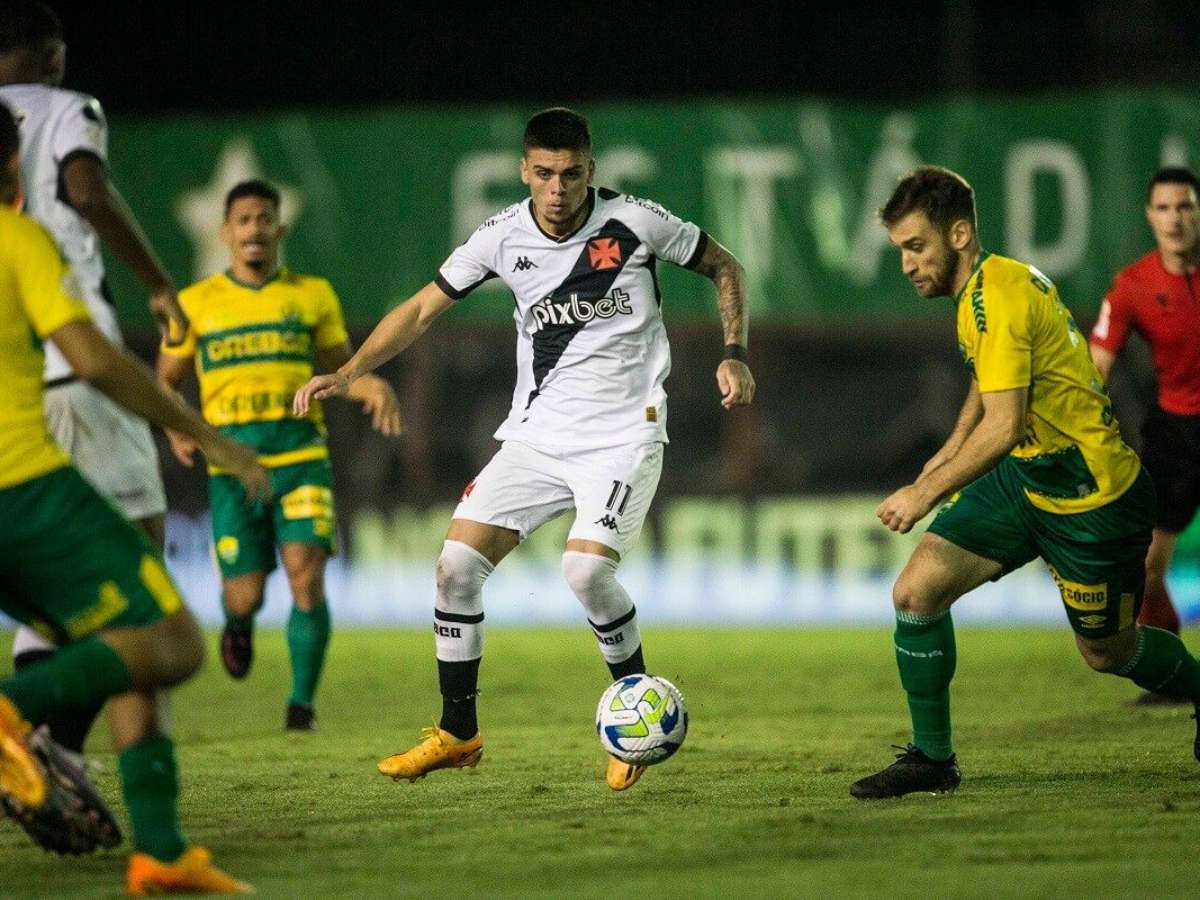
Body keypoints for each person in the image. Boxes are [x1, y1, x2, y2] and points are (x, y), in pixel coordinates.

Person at [294, 107, 755, 791]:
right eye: (544, 173)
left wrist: (735, 352)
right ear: (524, 172)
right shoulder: (501, 237)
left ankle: (632, 717)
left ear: (590, 172)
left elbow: (723, 264)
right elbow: (421, 308)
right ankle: (458, 731)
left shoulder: (635, 221)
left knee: (585, 574)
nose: (558, 187)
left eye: (571, 174)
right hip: (537, 436)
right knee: (453, 567)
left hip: (624, 433)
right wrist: (353, 369)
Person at [850, 166, 1200, 799]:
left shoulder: (1001, 298)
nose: (905, 263)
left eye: (915, 246)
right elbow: (987, 386)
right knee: (916, 592)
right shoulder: (985, 287)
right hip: (1030, 478)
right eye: (900, 249)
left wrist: (923, 493)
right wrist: (947, 454)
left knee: (1108, 655)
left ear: (958, 234)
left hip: (1091, 493)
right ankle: (932, 759)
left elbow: (1005, 425)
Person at [0, 102, 261, 894]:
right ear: (13, 168)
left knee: (120, 634)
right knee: (170, 639)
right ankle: (17, 710)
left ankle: (160, 848)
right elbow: (93, 358)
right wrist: (207, 436)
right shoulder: (19, 238)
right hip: (24, 489)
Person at [0, 1, 187, 757]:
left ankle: (48, 762)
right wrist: (157, 281)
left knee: (56, 593)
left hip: (14, 388)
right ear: (52, 54)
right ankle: (51, 748)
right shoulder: (68, 109)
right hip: (76, 369)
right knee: (147, 597)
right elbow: (85, 189)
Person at [157, 179, 402, 730]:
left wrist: (373, 385)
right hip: (232, 467)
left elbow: (341, 373)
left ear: (279, 230)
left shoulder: (311, 294)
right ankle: (238, 624)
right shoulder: (194, 304)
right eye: (243, 220)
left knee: (306, 576)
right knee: (243, 596)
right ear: (225, 232)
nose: (254, 229)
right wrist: (174, 425)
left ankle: (301, 707)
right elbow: (166, 380)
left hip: (301, 458)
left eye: (264, 219)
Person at [1090, 167, 1200, 703]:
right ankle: (1173, 675)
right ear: (1149, 216)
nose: (1175, 219)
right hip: (1176, 435)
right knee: (1147, 565)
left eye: (1184, 207)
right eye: (1163, 208)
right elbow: (1095, 369)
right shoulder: (1132, 285)